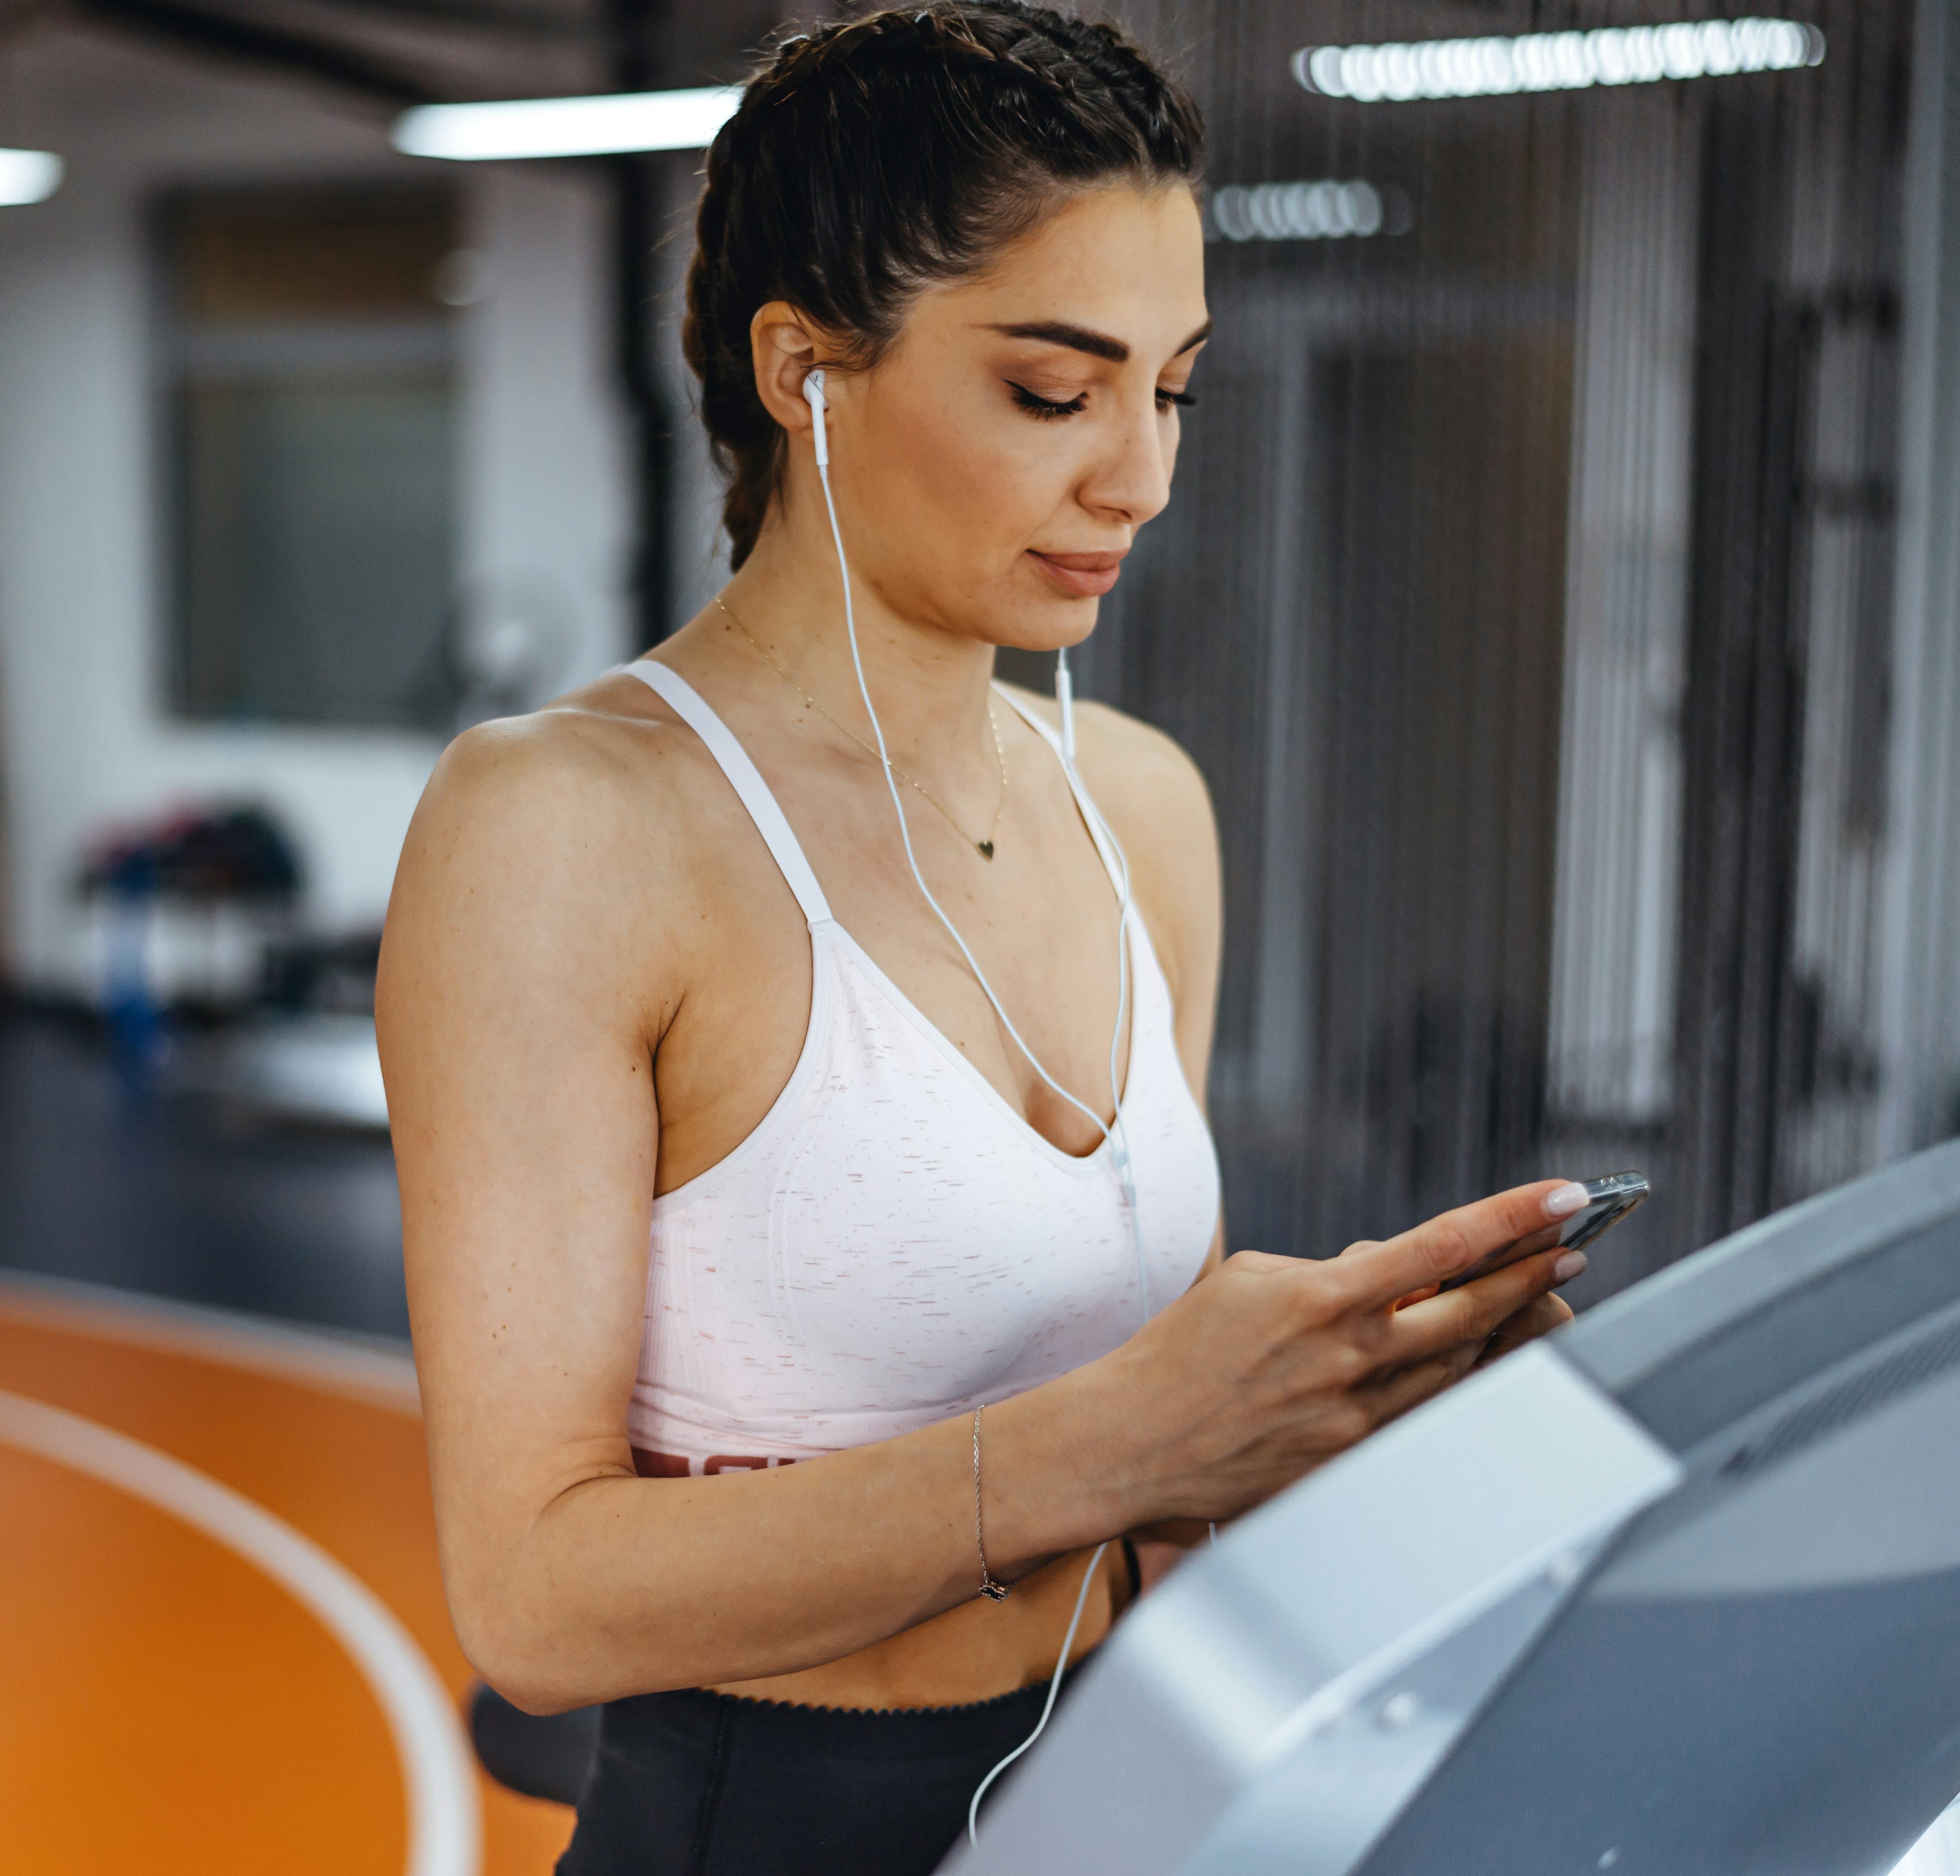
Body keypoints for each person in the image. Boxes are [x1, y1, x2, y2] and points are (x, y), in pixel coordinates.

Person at [378, 7, 1588, 1869]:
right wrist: (1112, 1445)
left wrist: (1327, 1401)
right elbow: (531, 1598)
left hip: (1108, 1783)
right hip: (764, 1814)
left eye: (1170, 387)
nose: (1140, 476)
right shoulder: (565, 825)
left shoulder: (1143, 805)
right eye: (1053, 388)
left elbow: (1153, 1448)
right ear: (806, 368)